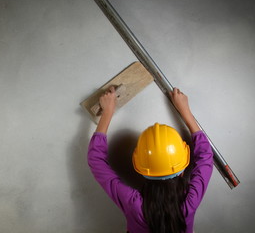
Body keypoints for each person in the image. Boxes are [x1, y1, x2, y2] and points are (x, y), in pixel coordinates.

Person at [87, 86, 213, 233]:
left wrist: (107, 111)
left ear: (139, 166)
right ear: (184, 164)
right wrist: (185, 110)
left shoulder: (134, 204)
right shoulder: (190, 202)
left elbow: (96, 160)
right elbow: (205, 157)